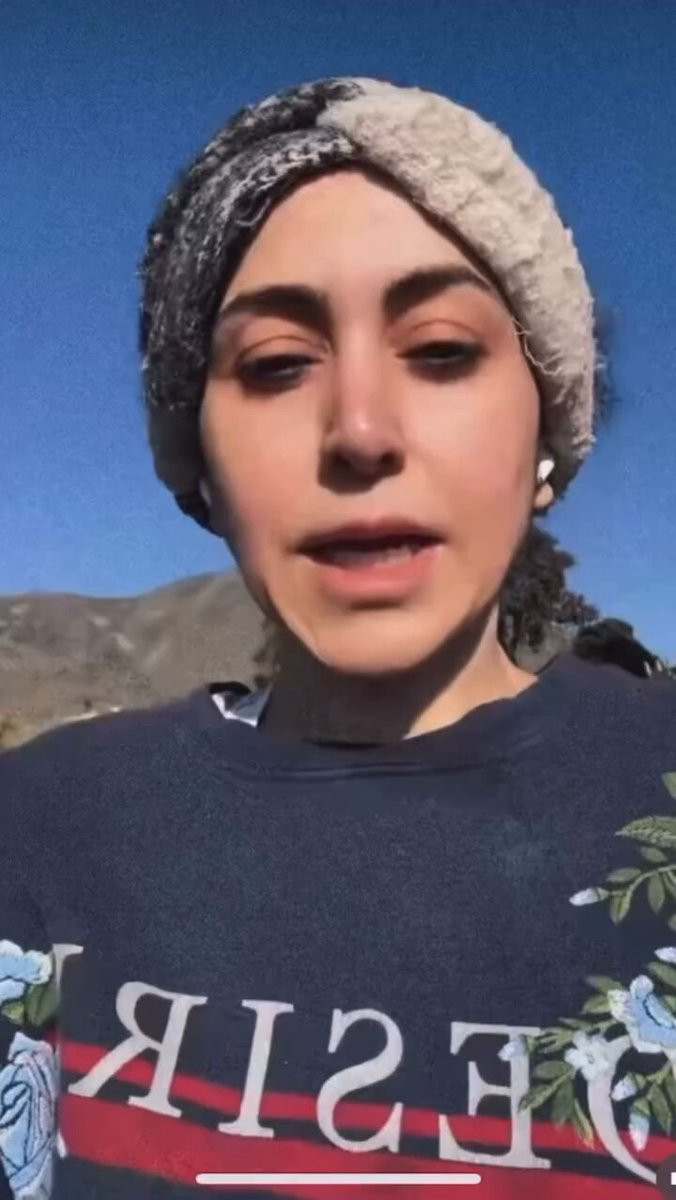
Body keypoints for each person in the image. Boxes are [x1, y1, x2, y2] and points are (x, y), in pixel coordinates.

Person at [1, 78, 674, 1200]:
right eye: (274, 364)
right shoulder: (38, 830)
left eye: (442, 349)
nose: (359, 431)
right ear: (200, 464)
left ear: (549, 432)